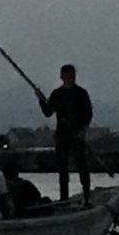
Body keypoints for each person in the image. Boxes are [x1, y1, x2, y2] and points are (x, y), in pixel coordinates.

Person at [35, 64, 93, 204]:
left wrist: (82, 130)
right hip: (62, 135)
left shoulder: (81, 93)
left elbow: (88, 114)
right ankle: (64, 198)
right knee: (62, 168)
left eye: (71, 76)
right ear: (62, 77)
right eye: (66, 76)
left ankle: (87, 197)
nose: (69, 79)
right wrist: (41, 100)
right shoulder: (57, 94)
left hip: (77, 135)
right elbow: (48, 112)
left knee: (81, 166)